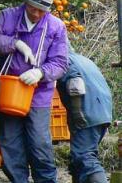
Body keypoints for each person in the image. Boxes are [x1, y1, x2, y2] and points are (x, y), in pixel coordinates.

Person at [0, 0, 69, 183]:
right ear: (25, 2)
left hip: (38, 95)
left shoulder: (56, 26)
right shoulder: (7, 17)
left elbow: (60, 62)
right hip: (10, 91)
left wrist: (41, 73)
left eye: (42, 11)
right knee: (9, 143)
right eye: (33, 8)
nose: (36, 14)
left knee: (40, 144)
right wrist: (15, 43)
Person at [56, 49, 112, 183]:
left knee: (85, 157)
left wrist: (77, 113)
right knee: (79, 160)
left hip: (87, 111)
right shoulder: (84, 60)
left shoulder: (64, 59)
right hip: (103, 111)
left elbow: (76, 84)